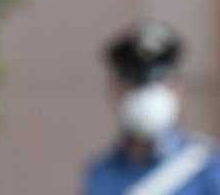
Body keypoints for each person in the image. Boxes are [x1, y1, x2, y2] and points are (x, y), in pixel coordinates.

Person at [84, 21, 220, 194]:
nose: (146, 94)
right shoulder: (101, 173)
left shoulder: (207, 167)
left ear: (178, 88)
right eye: (134, 84)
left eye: (157, 82)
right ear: (115, 89)